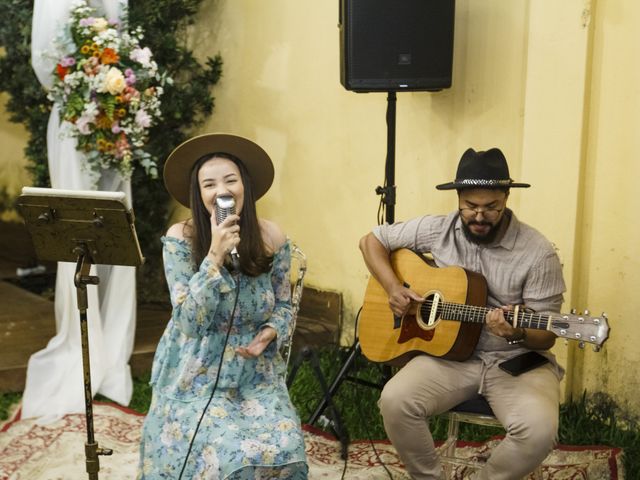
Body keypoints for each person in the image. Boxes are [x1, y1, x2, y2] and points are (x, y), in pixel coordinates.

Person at [359, 147, 566, 480]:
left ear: (506, 198)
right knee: (395, 400)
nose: (479, 216)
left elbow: (548, 334)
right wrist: (394, 288)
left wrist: (518, 331)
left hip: (515, 360)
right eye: (470, 206)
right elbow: (371, 241)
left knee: (538, 431)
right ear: (458, 198)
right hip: (450, 358)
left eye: (491, 207)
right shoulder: (436, 229)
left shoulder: (538, 253)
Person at [137, 133, 308, 479]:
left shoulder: (271, 236)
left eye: (230, 180)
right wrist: (214, 256)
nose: (221, 191)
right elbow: (187, 322)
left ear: (245, 185)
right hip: (196, 373)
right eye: (209, 184)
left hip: (255, 375)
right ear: (199, 196)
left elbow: (285, 306)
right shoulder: (180, 238)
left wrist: (269, 334)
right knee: (227, 455)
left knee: (286, 449)